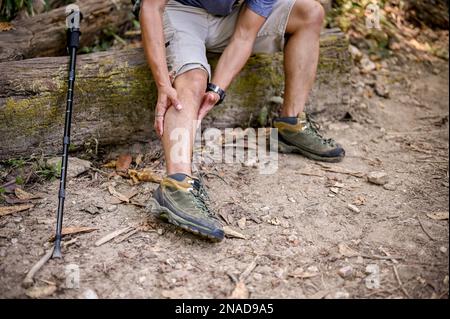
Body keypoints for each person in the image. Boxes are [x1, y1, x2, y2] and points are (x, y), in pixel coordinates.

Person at [138, 0, 345, 241]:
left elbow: (245, 35)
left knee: (310, 13)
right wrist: (163, 84)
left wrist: (217, 89)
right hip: (180, 12)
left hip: (230, 18)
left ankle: (291, 123)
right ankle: (177, 185)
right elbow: (151, 7)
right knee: (193, 80)